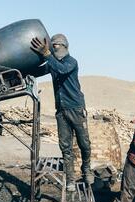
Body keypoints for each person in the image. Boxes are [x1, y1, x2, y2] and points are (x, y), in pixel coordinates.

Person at [30, 34, 94, 191]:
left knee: (84, 143)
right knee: (65, 147)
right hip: (61, 111)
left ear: (63, 45)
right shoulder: (53, 63)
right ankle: (70, 180)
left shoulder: (71, 62)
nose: (52, 49)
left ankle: (86, 169)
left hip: (76, 109)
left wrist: (46, 55)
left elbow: (62, 70)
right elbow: (39, 70)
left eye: (54, 46)